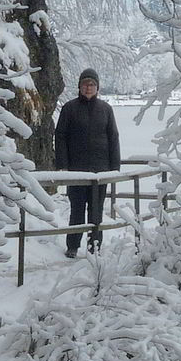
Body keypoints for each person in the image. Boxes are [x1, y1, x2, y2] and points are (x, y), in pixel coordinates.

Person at [53, 68, 120, 257]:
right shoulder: (69, 108)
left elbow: (113, 137)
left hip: (100, 170)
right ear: (79, 86)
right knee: (77, 210)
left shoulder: (106, 109)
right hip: (76, 170)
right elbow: (60, 137)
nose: (88, 87)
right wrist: (63, 166)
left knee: (96, 212)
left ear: (97, 87)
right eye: (85, 84)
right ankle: (73, 246)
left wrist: (115, 168)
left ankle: (94, 248)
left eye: (92, 84)